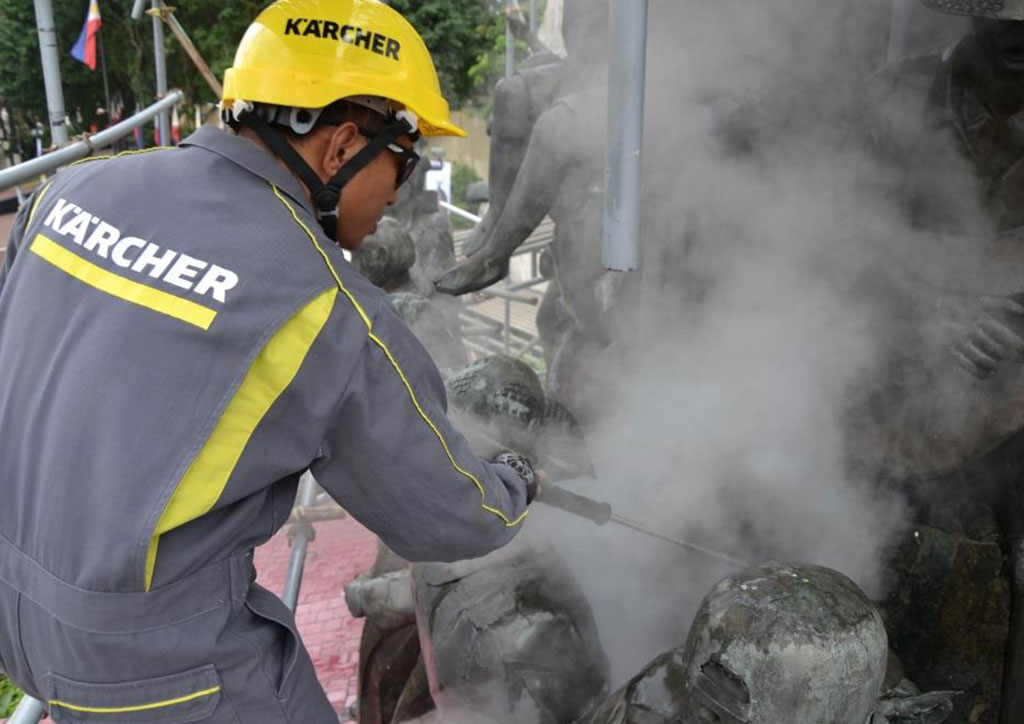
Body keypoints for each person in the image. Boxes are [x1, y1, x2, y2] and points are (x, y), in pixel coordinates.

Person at [0, 2, 537, 722]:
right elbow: (450, 518)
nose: (397, 195)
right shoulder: (323, 305)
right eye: (404, 164)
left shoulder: (71, 190)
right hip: (155, 672)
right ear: (344, 146)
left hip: (16, 614)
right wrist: (516, 480)